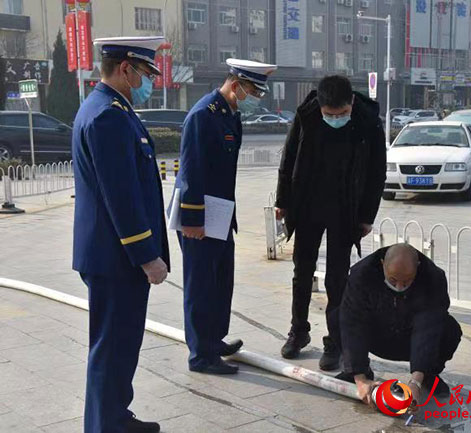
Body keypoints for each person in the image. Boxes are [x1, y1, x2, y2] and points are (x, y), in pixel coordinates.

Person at [72, 36, 170, 433]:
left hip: (112, 255)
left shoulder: (108, 108)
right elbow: (122, 197)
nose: (148, 82)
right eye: (145, 73)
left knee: (120, 346)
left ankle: (115, 416)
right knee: (112, 349)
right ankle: (105, 425)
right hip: (116, 258)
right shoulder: (108, 116)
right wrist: (147, 255)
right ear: (126, 69)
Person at [274, 75, 387, 370]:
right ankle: (298, 331)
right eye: (329, 114)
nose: (336, 119)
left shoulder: (368, 122)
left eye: (342, 113)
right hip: (308, 205)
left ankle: (335, 341)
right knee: (302, 271)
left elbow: (377, 172)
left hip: (345, 209)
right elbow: (289, 159)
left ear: (352, 103)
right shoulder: (307, 115)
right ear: (321, 107)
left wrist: (367, 216)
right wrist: (283, 201)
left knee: (337, 278)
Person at [175, 59, 277, 375]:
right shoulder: (203, 116)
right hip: (199, 216)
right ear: (235, 84)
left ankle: (213, 340)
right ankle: (200, 355)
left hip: (220, 213)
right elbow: (190, 170)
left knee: (220, 282)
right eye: (251, 91)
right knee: (200, 286)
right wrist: (193, 221)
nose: (253, 98)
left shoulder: (229, 114)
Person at [332, 244, 462, 406]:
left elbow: (428, 327)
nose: (399, 287)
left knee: (449, 329)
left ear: (417, 267)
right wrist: (360, 379)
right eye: (393, 280)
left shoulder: (433, 278)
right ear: (382, 264)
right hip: (376, 335)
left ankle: (427, 374)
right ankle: (357, 371)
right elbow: (352, 321)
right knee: (337, 316)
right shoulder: (362, 273)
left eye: (406, 281)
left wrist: (416, 382)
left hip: (410, 339)